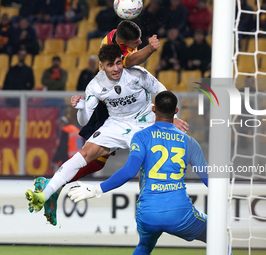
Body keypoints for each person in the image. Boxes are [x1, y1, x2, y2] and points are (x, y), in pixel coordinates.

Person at [25, 43, 188, 226]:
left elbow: (161, 90)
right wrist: (81, 108)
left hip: (145, 120)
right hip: (116, 123)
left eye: (119, 62)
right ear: (102, 66)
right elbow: (84, 121)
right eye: (111, 65)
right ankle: (44, 194)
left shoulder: (136, 74)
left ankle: (147, 211)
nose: (117, 68)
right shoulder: (95, 85)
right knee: (86, 153)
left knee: (148, 164)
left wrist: (171, 117)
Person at [66, 91, 209, 255]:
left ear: (153, 109)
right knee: (217, 236)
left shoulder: (141, 137)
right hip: (179, 213)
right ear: (176, 111)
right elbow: (208, 180)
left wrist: (96, 189)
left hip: (147, 213)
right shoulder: (189, 142)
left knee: (144, 247)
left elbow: (129, 171)